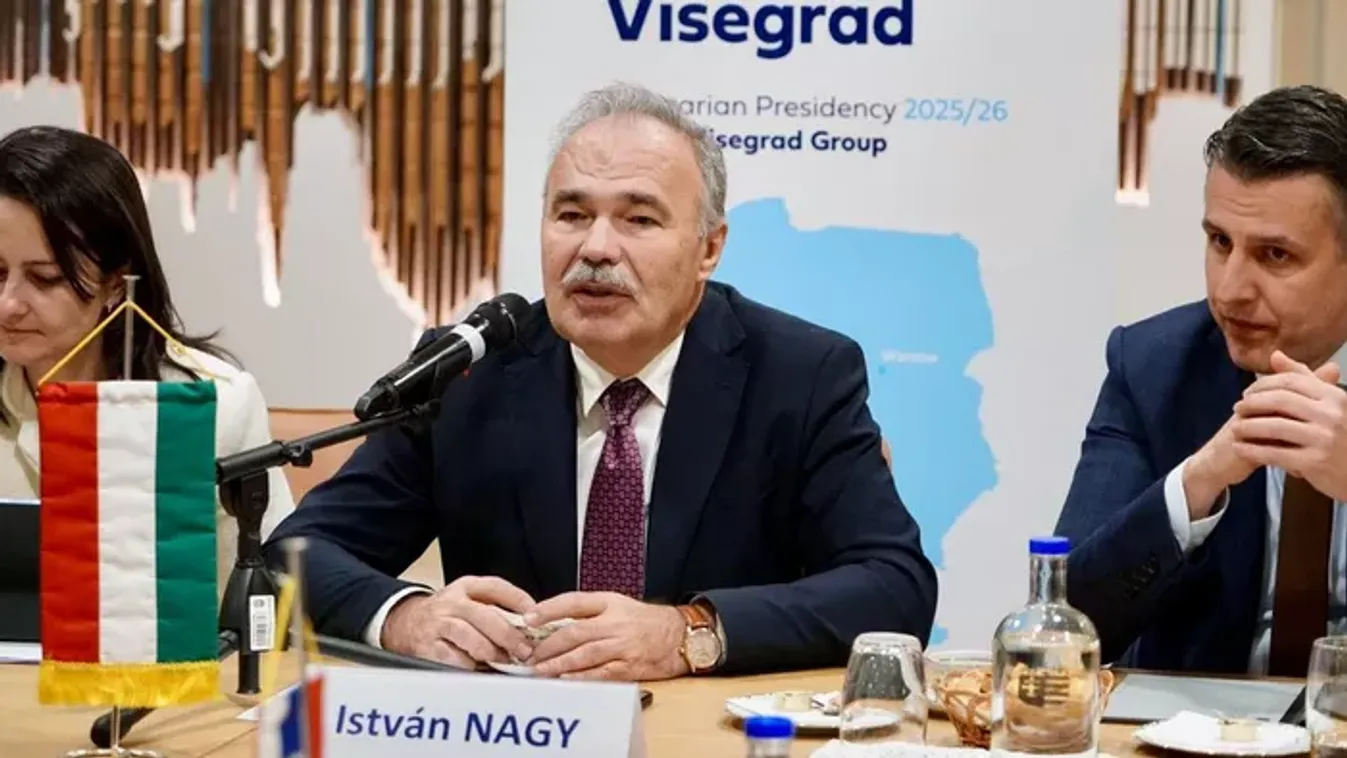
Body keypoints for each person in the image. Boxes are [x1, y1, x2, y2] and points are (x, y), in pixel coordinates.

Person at [263, 82, 937, 680]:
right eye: (572, 215)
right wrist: (405, 617)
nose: (595, 248)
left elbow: (894, 587)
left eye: (638, 219)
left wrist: (687, 633)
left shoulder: (799, 374)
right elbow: (294, 554)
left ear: (708, 248)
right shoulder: (472, 374)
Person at [1056, 85, 1347, 677]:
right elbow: (1064, 626)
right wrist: (1198, 482)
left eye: (1275, 255)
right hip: (1199, 722)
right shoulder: (1154, 367)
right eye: (1219, 242)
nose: (1230, 290)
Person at [0, 125, 295, 593]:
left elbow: (269, 598)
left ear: (116, 285)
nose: (9, 305)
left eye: (45, 278)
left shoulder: (214, 405)